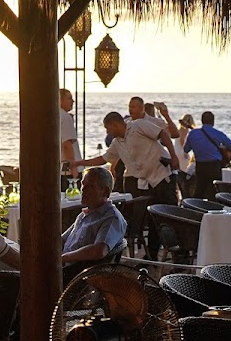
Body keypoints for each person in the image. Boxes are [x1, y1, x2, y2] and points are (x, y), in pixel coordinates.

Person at [74, 110, 179, 258]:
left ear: (115, 125)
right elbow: (103, 159)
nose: (108, 132)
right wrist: (79, 163)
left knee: (168, 216)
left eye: (108, 129)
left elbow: (163, 134)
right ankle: (152, 255)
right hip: (145, 182)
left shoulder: (138, 126)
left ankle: (178, 254)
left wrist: (174, 155)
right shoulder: (117, 143)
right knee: (150, 217)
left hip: (162, 176)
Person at [61, 167, 128, 265]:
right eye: (83, 184)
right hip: (63, 267)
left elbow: (99, 250)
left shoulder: (111, 218)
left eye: (90, 186)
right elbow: (62, 240)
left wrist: (63, 258)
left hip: (77, 273)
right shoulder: (84, 215)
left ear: (104, 191)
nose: (83, 189)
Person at [183, 111, 231, 200]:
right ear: (213, 122)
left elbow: (186, 149)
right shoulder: (218, 134)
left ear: (202, 121)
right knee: (215, 191)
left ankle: (196, 209)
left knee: (200, 190)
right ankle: (214, 209)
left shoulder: (193, 133)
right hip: (214, 166)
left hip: (200, 165)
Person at [60, 88, 82, 179]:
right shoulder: (65, 117)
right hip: (68, 170)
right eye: (69, 98)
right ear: (60, 100)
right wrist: (74, 168)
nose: (73, 101)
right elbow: (67, 144)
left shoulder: (52, 116)